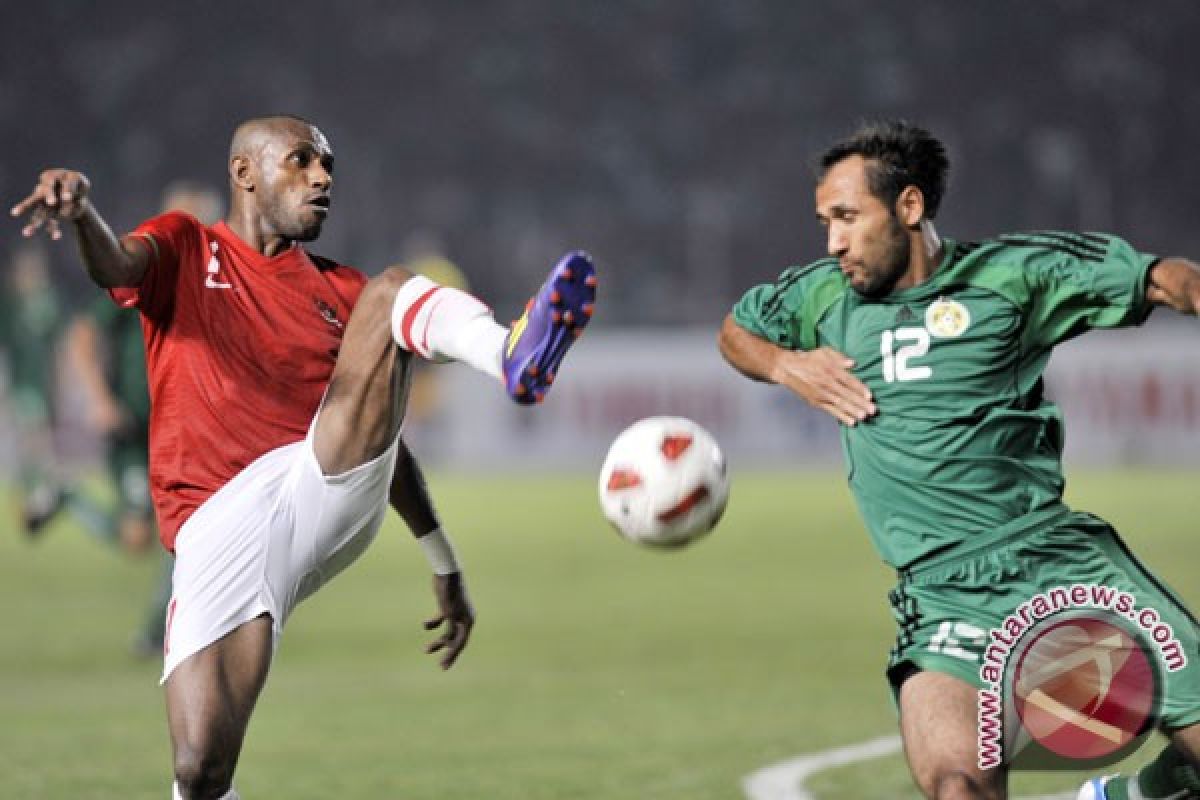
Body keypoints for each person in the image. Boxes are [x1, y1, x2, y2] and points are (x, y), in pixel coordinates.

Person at [11, 113, 596, 800]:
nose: (322, 179)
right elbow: (115, 264)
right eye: (301, 161)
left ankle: (508, 353)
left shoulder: (341, 293)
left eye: (327, 167)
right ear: (245, 173)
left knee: (389, 292)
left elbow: (375, 434)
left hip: (315, 490)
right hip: (212, 530)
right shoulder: (186, 246)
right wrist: (82, 215)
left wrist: (443, 554)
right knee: (199, 769)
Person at [718, 121, 1200, 800]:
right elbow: (737, 331)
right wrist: (784, 366)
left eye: (848, 217)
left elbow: (1159, 278)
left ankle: (1140, 794)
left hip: (1060, 563)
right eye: (826, 221)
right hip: (943, 597)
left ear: (909, 208)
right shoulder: (822, 297)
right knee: (956, 789)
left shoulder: (1011, 277)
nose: (833, 241)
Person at [62, 182, 223, 656]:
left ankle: (158, 635)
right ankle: (69, 496)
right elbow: (84, 333)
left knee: (191, 534)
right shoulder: (142, 270)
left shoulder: (213, 285)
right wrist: (98, 398)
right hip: (134, 430)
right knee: (136, 539)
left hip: (183, 435)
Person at [0, 242, 70, 533]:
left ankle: (41, 496)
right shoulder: (11, 303)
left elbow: (59, 347)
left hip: (42, 382)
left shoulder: (50, 301)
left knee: (37, 441)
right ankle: (39, 497)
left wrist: (60, 382)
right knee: (32, 441)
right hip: (23, 382)